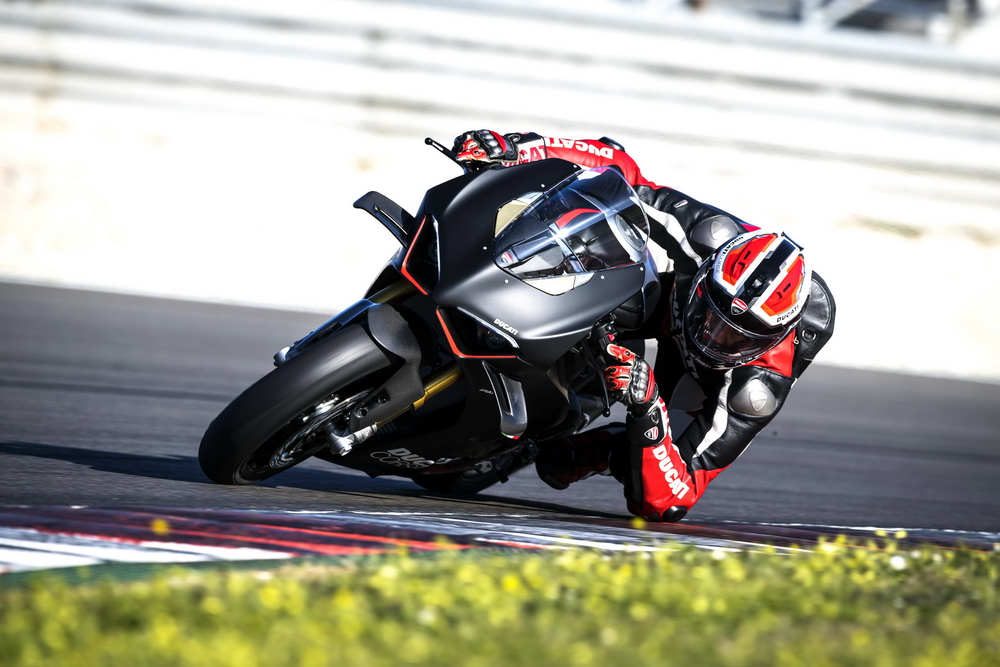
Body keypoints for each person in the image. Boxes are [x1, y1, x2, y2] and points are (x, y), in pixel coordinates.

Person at [450, 130, 836, 523]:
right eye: (712, 316)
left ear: (771, 339)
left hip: (696, 382)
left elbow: (677, 494)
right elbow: (620, 173)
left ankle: (603, 447)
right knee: (591, 230)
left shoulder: (757, 386)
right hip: (668, 303)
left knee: (643, 489)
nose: (712, 337)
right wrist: (517, 149)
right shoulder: (710, 237)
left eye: (736, 339)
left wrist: (648, 408)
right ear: (706, 274)